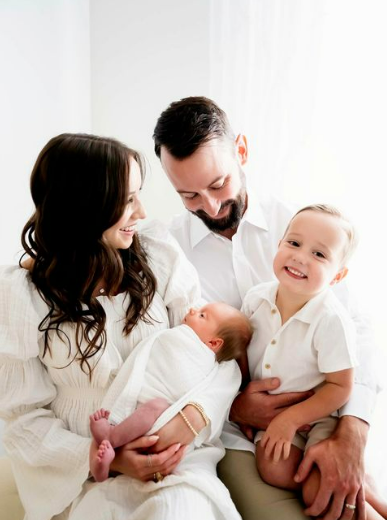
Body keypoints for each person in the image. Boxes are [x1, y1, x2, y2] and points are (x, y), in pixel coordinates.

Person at [153, 96, 382, 520]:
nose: (211, 206)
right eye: (189, 195)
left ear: (241, 151)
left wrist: (353, 431)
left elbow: (360, 331)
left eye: (218, 184)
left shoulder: (303, 227)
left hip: (325, 416)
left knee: (348, 502)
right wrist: (235, 404)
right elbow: (177, 355)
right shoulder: (170, 255)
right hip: (237, 436)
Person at [0, 133, 244, 520]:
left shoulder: (158, 254)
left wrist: (194, 416)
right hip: (83, 478)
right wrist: (108, 460)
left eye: (138, 195)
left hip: (174, 464)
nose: (142, 212)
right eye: (127, 200)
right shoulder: (21, 296)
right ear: (85, 206)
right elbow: (22, 417)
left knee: (173, 512)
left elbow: (217, 356)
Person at [242, 204, 386, 520]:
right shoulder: (256, 299)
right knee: (272, 466)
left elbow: (340, 387)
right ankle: (368, 490)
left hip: (323, 413)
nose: (300, 257)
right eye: (293, 243)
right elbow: (243, 350)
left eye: (319, 255)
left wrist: (290, 420)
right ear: (279, 244)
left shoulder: (331, 320)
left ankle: (371, 504)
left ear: (338, 276)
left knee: (318, 490)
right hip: (281, 411)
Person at [89, 301, 253, 482]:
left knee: (156, 405)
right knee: (152, 405)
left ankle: (112, 438)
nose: (192, 309)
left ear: (214, 342)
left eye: (202, 315)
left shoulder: (211, 363)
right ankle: (107, 459)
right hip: (146, 400)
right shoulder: (176, 338)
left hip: (163, 420)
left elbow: (208, 392)